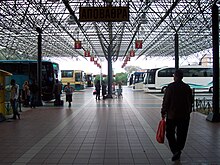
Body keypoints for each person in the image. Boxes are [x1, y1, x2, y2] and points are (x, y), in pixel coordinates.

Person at [161, 69, 192, 162]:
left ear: (175, 76)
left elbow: (166, 101)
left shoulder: (170, 87)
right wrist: (189, 111)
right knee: (182, 134)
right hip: (184, 116)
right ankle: (178, 149)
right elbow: (190, 101)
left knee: (169, 133)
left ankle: (175, 150)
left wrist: (163, 111)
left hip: (172, 115)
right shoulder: (187, 87)